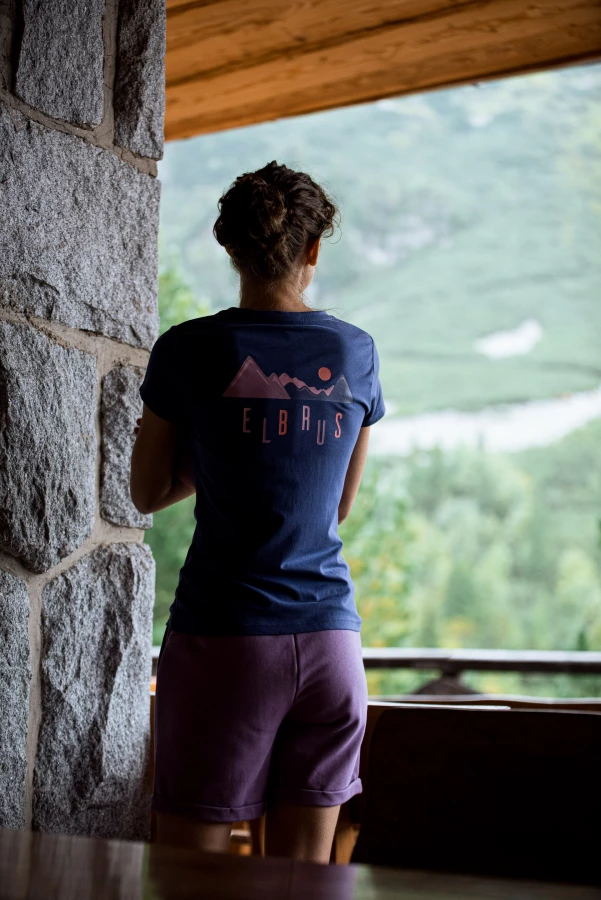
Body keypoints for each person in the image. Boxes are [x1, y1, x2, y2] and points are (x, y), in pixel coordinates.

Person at [130, 161, 386, 864]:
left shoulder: (188, 350)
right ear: (313, 248)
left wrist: (219, 448)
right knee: (305, 881)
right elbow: (338, 504)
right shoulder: (353, 351)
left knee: (190, 876)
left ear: (229, 245)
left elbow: (146, 492)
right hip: (331, 643)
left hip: (225, 641)